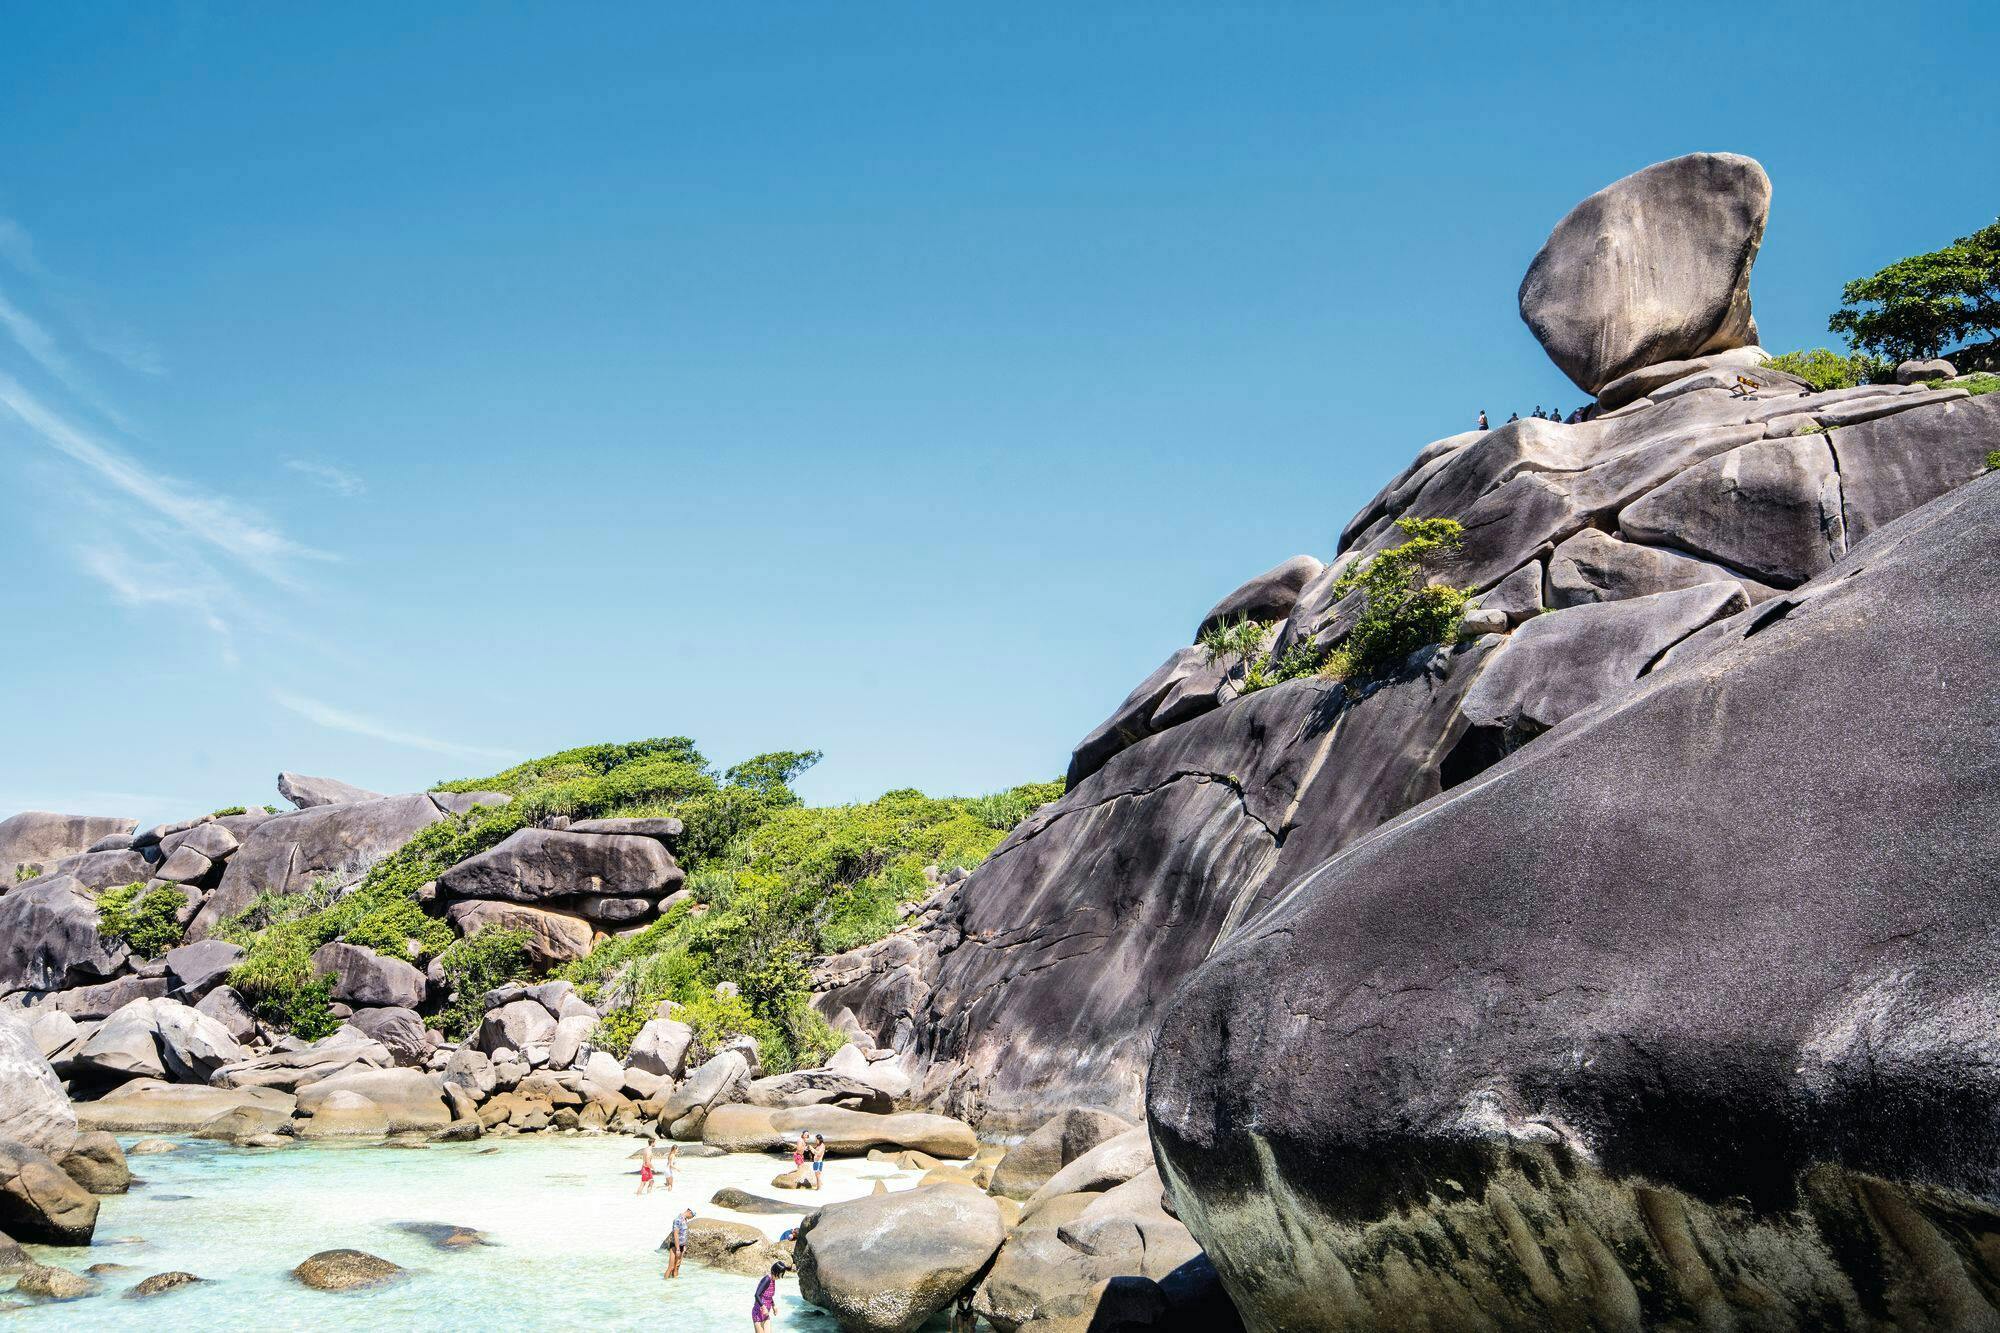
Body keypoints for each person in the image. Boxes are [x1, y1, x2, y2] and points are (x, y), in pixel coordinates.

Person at [753, 1261, 788, 1333]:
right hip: (758, 1314)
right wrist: (763, 1307)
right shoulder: (767, 1279)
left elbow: (768, 1296)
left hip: (766, 1314)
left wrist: (773, 1306)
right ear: (775, 1272)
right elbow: (757, 1295)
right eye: (780, 1274)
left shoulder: (773, 1280)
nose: (780, 1277)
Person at [665, 1208, 693, 1279]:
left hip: (682, 1245)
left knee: (677, 1267)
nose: (692, 1217)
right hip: (675, 1246)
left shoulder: (685, 1220)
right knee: (671, 1267)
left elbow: (684, 1233)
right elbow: (676, 1234)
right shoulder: (678, 1220)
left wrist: (684, 1245)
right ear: (689, 1211)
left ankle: (675, 1284)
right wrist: (677, 1249)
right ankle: (664, 1283)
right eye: (693, 1215)